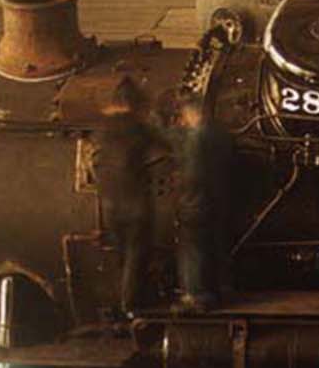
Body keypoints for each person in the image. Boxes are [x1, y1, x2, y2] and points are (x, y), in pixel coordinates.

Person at [92, 76, 168, 319]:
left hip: (110, 203)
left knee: (121, 254)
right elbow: (166, 146)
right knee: (137, 253)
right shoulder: (137, 126)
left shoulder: (103, 127)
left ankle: (118, 303)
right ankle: (131, 305)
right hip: (135, 202)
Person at [172, 93, 237, 314]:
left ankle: (195, 297)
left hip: (196, 200)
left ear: (191, 113)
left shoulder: (195, 137)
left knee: (192, 249)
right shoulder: (221, 134)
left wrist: (183, 194)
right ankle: (217, 291)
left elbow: (193, 174)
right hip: (219, 198)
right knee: (214, 246)